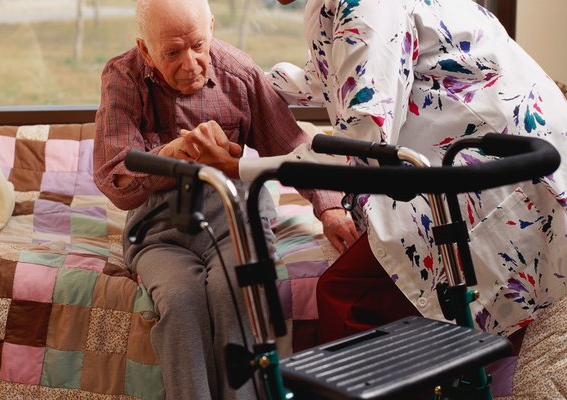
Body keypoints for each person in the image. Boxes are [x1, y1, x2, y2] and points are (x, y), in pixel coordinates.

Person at [92, 0, 358, 398]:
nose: (191, 63)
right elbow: (114, 177)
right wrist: (172, 154)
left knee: (235, 292)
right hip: (160, 227)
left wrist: (332, 208)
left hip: (233, 217)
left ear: (212, 27)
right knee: (181, 302)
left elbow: (292, 145)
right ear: (145, 49)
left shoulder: (240, 72)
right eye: (172, 52)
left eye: (198, 45)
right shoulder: (123, 76)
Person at [269, 0, 567, 350]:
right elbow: (328, 76)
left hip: (506, 171)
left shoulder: (367, 4)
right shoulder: (330, 6)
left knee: (348, 297)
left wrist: (245, 166)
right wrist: (251, 81)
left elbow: (365, 132)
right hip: (481, 158)